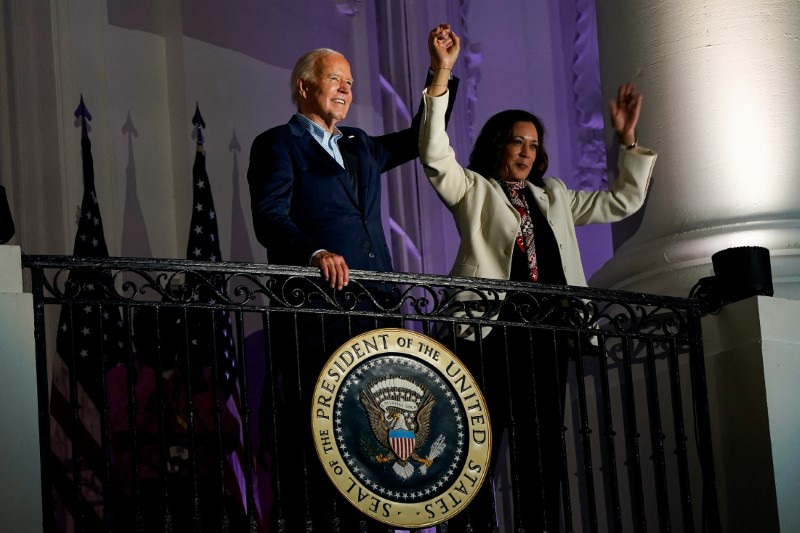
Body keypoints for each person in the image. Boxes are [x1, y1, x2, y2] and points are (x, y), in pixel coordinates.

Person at [420, 27, 657, 532]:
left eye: (534, 144)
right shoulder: (475, 190)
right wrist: (442, 73)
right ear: (498, 146)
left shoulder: (554, 196)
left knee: (541, 454)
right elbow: (435, 156)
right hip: (487, 336)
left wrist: (628, 141)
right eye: (516, 142)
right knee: (477, 454)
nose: (527, 152)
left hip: (548, 340)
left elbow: (623, 200)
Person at [246, 27, 459, 532]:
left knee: (375, 434)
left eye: (351, 82)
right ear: (303, 86)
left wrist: (442, 71)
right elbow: (270, 217)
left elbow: (419, 137)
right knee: (322, 434)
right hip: (316, 310)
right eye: (335, 79)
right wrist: (314, 251)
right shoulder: (278, 144)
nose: (346, 89)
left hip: (376, 306)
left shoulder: (361, 145)